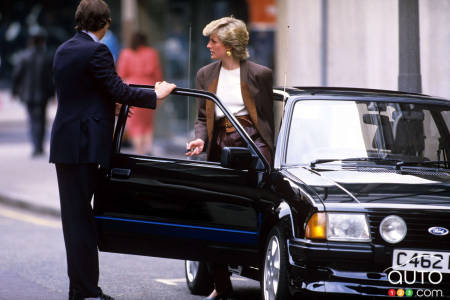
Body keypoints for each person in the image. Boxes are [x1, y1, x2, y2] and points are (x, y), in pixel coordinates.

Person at [49, 1, 176, 299]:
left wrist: (110, 106)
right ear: (104, 23)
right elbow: (117, 88)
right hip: (84, 146)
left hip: (67, 144)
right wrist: (155, 95)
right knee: (82, 222)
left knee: (75, 221)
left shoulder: (64, 48)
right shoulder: (98, 50)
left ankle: (81, 289)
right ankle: (87, 292)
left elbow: (82, 93)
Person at [186, 17, 274, 300]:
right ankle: (222, 285)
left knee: (254, 213)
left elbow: (267, 121)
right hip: (220, 147)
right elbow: (203, 117)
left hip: (252, 146)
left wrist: (269, 155)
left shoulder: (260, 74)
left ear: (230, 46)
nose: (208, 45)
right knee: (213, 216)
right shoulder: (205, 74)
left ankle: (263, 274)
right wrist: (201, 138)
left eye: (214, 41)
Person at [116, 32, 163, 155]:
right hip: (149, 89)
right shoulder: (152, 53)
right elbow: (158, 75)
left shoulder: (125, 54)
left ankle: (139, 152)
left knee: (135, 125)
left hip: (132, 90)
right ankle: (147, 148)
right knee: (148, 123)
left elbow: (120, 74)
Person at [12, 26, 54, 157]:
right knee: (41, 119)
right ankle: (39, 145)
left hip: (29, 94)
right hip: (43, 94)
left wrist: (15, 91)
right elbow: (51, 78)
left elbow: (16, 75)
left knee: (33, 119)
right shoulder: (47, 57)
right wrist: (52, 93)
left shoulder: (24, 56)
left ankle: (37, 145)